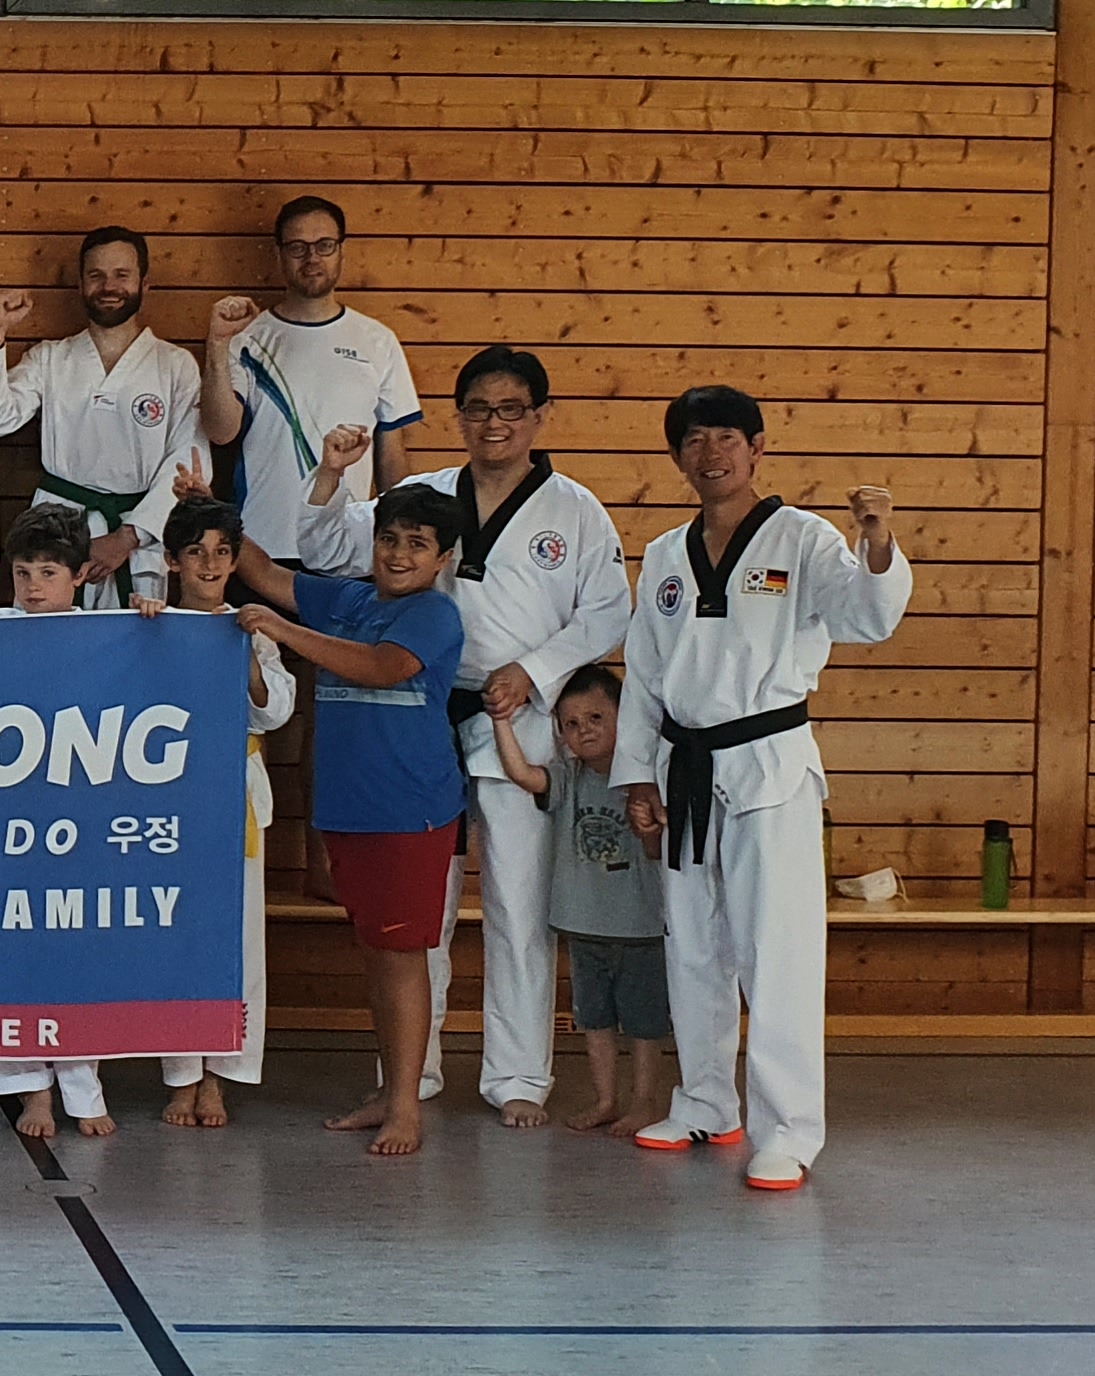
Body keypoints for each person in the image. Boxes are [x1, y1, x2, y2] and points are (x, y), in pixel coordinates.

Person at [296, 346, 632, 1126]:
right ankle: (410, 1075)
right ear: (459, 416)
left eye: (511, 409)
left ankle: (518, 1075)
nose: (494, 424)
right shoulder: (423, 494)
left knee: (518, 901)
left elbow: (609, 613)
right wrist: (330, 477)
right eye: (479, 409)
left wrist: (536, 671)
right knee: (422, 910)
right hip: (420, 717)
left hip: (519, 718)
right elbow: (327, 550)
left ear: (540, 416)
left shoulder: (576, 509)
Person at [615, 386, 908, 1192]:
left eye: (726, 438)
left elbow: (866, 619)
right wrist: (636, 773)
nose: (710, 454)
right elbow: (644, 672)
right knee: (693, 947)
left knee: (777, 956)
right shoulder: (667, 554)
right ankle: (706, 1103)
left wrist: (877, 540)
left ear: (757, 448)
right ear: (677, 457)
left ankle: (788, 1130)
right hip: (684, 767)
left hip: (769, 767)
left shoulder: (802, 538)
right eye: (694, 441)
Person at [230, 482, 469, 1157]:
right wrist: (208, 507)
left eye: (417, 544)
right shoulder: (350, 599)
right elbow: (265, 573)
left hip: (408, 812)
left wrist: (283, 631)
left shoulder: (434, 614)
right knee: (377, 956)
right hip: (349, 809)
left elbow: (380, 668)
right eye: (389, 539)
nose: (398, 554)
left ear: (443, 558)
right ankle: (389, 1094)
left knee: (403, 958)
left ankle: (407, 1107)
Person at [0, 509, 122, 1138]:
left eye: (49, 573)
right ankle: (30, 1090)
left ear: (80, 576)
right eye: (23, 572)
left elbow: (159, 662)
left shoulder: (107, 635)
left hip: (76, 818)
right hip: (2, 819)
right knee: (9, 952)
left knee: (76, 954)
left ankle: (84, 1089)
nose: (33, 586)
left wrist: (155, 619)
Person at [0, 227, 203, 607]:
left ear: (145, 283)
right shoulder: (49, 358)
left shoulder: (175, 365)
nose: (108, 286)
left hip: (137, 538)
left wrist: (127, 537)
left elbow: (187, 463)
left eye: (121, 275)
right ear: (81, 285)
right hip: (56, 537)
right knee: (48, 637)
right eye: (96, 275)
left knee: (131, 641)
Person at [155, 500, 293, 1131]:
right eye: (195, 552)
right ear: (171, 561)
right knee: (179, 938)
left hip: (234, 791)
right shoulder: (150, 626)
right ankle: (182, 1074)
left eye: (220, 552)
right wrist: (148, 629)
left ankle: (219, 1076)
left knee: (237, 942)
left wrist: (248, 650)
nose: (209, 564)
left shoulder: (252, 628)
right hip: (170, 797)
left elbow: (275, 712)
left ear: (235, 561)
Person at [491, 665, 672, 1136]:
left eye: (595, 718)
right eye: (571, 724)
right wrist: (501, 721)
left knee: (644, 1024)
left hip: (640, 928)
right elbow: (522, 774)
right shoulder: (568, 778)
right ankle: (606, 1099)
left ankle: (645, 1102)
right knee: (594, 1021)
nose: (584, 731)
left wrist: (648, 829)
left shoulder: (647, 780)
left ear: (624, 718)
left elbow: (657, 853)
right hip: (583, 926)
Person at [197, 196, 424, 564]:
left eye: (324, 245)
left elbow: (392, 459)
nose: (312, 258)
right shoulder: (247, 338)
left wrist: (402, 541)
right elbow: (220, 432)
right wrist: (218, 346)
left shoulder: (378, 341)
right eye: (298, 247)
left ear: (341, 250)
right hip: (262, 549)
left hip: (348, 551)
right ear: (280, 254)